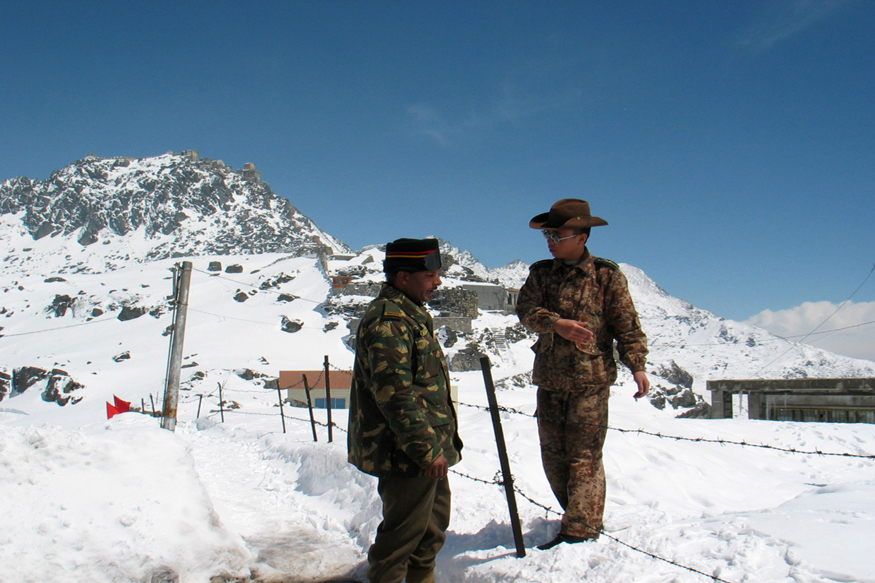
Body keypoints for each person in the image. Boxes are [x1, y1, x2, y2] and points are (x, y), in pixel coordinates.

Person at [515, 199, 650, 550]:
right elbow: (526, 311)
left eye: (556, 234)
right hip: (550, 379)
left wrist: (637, 365)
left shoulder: (607, 276)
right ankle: (579, 514)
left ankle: (580, 530)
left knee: (584, 457)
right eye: (548, 233)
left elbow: (627, 325)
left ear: (581, 236)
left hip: (591, 381)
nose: (549, 240)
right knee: (553, 457)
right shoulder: (541, 274)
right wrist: (555, 324)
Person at [348, 237, 463, 583]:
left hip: (423, 450)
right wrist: (426, 451)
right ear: (403, 277)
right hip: (407, 453)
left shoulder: (409, 315)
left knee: (429, 534)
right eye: (430, 275)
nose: (437, 282)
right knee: (400, 542)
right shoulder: (390, 322)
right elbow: (395, 395)